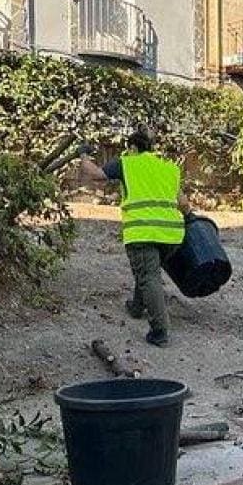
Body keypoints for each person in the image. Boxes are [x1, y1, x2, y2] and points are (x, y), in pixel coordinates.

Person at [80, 128, 192, 346]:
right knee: (148, 270)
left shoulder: (126, 163)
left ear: (132, 147)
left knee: (148, 275)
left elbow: (96, 175)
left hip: (143, 231)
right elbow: (184, 203)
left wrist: (83, 155)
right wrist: (192, 220)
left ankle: (160, 332)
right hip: (172, 235)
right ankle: (136, 307)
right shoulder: (169, 167)